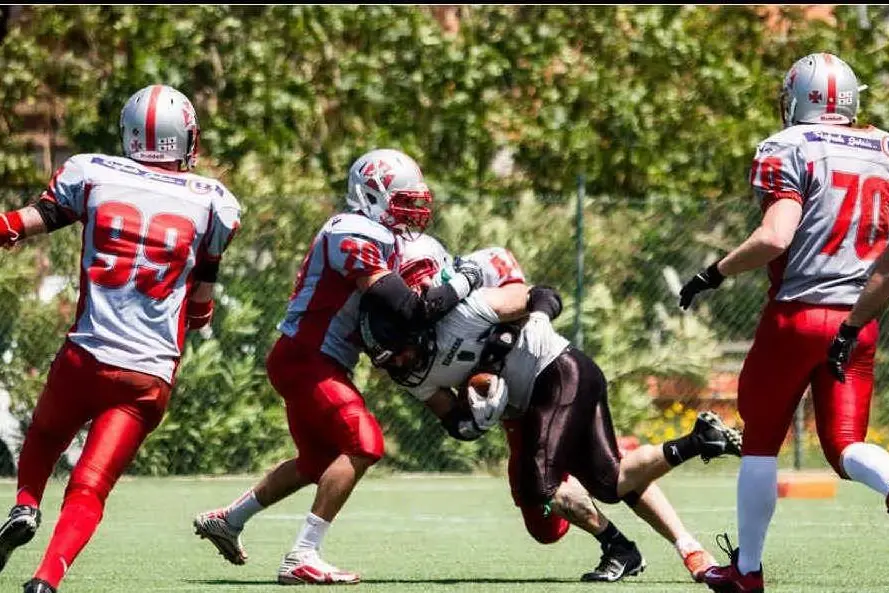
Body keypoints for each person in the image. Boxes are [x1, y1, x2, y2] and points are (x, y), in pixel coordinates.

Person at [361, 234, 740, 583]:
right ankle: (697, 443)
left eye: (400, 353)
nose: (399, 364)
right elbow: (453, 421)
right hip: (533, 396)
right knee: (608, 482)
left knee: (537, 482)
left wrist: (530, 326)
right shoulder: (408, 371)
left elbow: (542, 295)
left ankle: (626, 545)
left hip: (557, 372)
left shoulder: (466, 307)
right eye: (389, 360)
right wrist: (477, 418)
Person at [192, 149, 485, 585]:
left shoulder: (378, 235)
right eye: (401, 201)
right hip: (307, 357)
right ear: (370, 195)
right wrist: (466, 279)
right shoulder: (352, 230)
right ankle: (302, 555)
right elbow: (406, 310)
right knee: (365, 444)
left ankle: (230, 519)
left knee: (316, 462)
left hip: (314, 359)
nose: (411, 213)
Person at [0, 84, 241, 593]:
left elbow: (36, 219)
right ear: (184, 139)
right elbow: (201, 300)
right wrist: (197, 312)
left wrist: (5, 226)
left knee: (45, 435)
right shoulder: (214, 201)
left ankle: (25, 502)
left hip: (86, 354)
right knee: (90, 485)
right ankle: (45, 580)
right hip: (148, 373)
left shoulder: (93, 173)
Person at [678, 53, 889, 593]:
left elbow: (776, 236)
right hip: (859, 321)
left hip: (796, 316)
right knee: (845, 447)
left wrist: (713, 272)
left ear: (799, 96)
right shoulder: (884, 148)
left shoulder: (788, 145)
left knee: (761, 444)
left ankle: (747, 570)